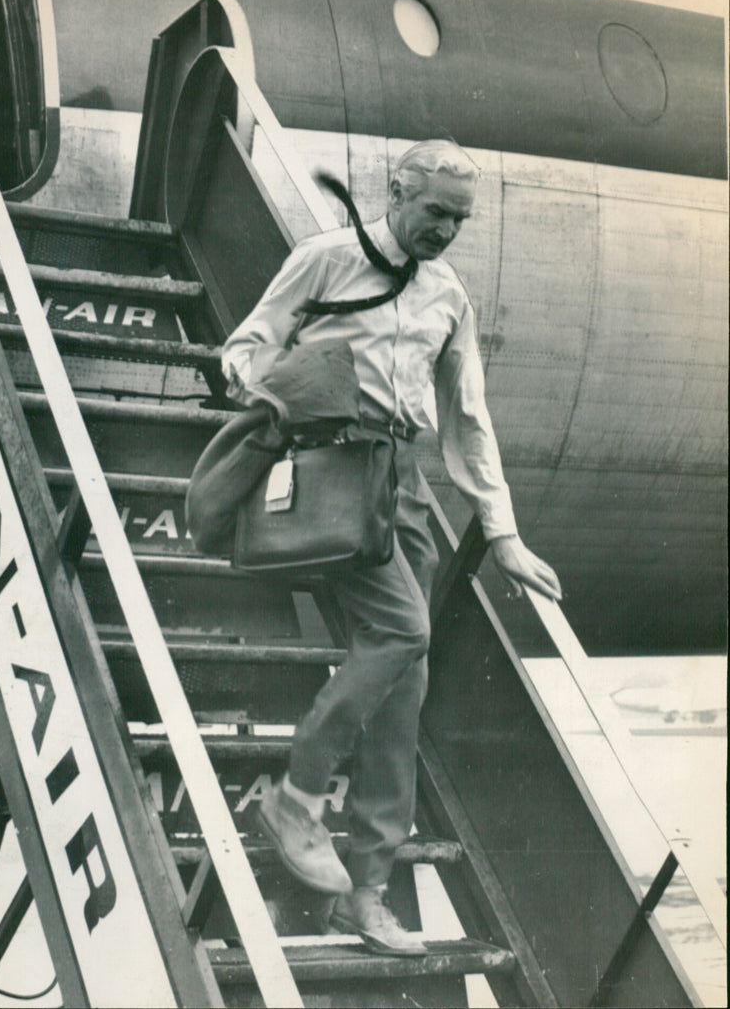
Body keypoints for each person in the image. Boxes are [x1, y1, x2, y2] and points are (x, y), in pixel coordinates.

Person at [221, 140, 562, 956]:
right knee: (406, 634)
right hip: (337, 471)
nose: (446, 229)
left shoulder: (448, 295)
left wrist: (502, 531)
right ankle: (298, 798)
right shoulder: (326, 260)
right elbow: (244, 349)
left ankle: (365, 894)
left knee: (407, 687)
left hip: (402, 486)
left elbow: (468, 418)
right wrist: (287, 395)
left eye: (460, 218)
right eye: (435, 210)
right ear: (397, 191)